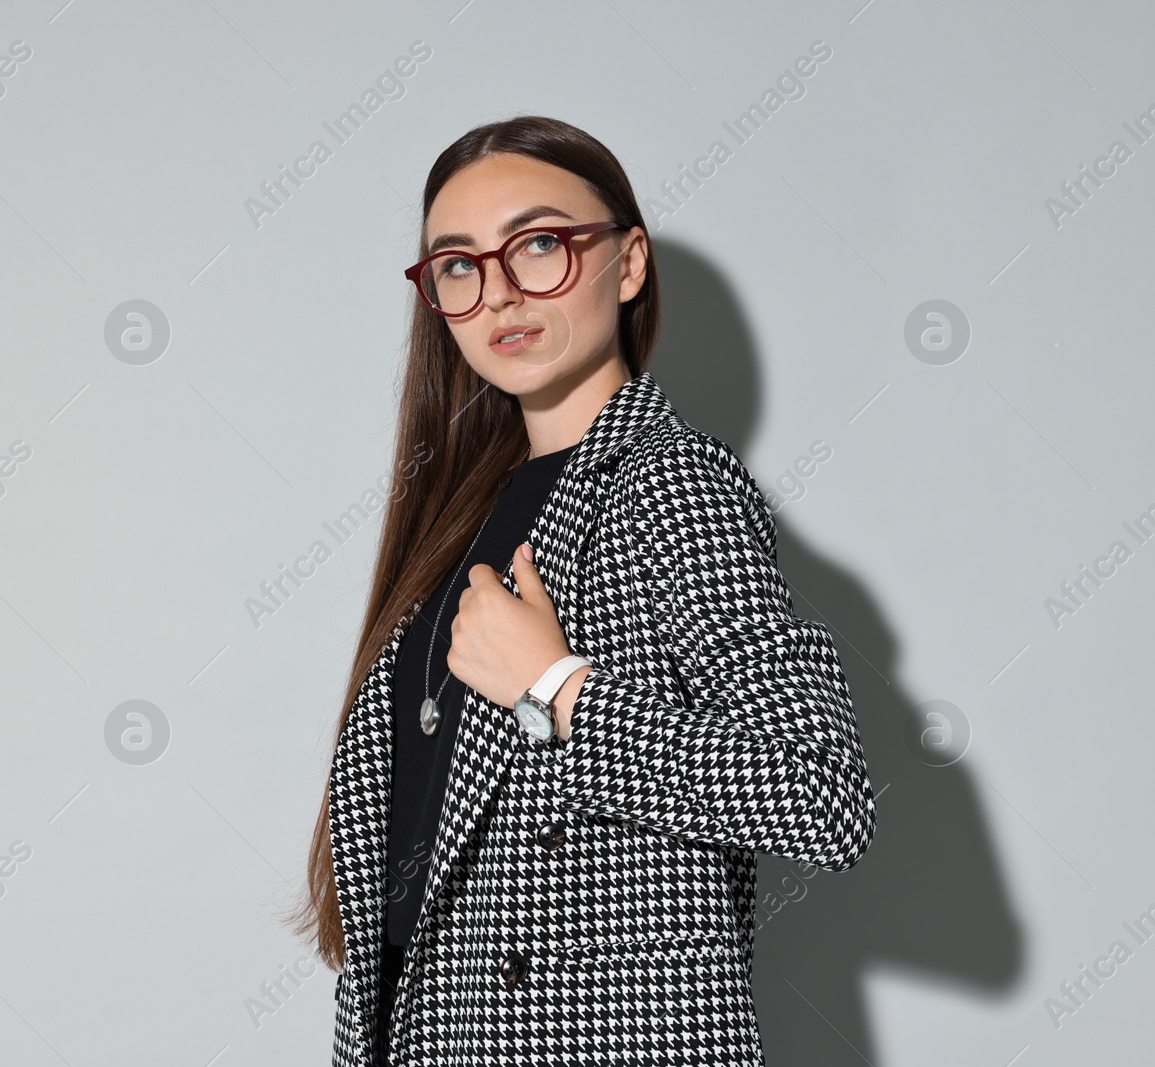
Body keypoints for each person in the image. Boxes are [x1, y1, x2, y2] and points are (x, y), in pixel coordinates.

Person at [288, 114, 877, 1065]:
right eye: (459, 265)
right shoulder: (458, 515)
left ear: (630, 263)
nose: (500, 292)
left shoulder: (669, 483)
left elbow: (823, 796)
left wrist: (557, 689)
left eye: (541, 246)